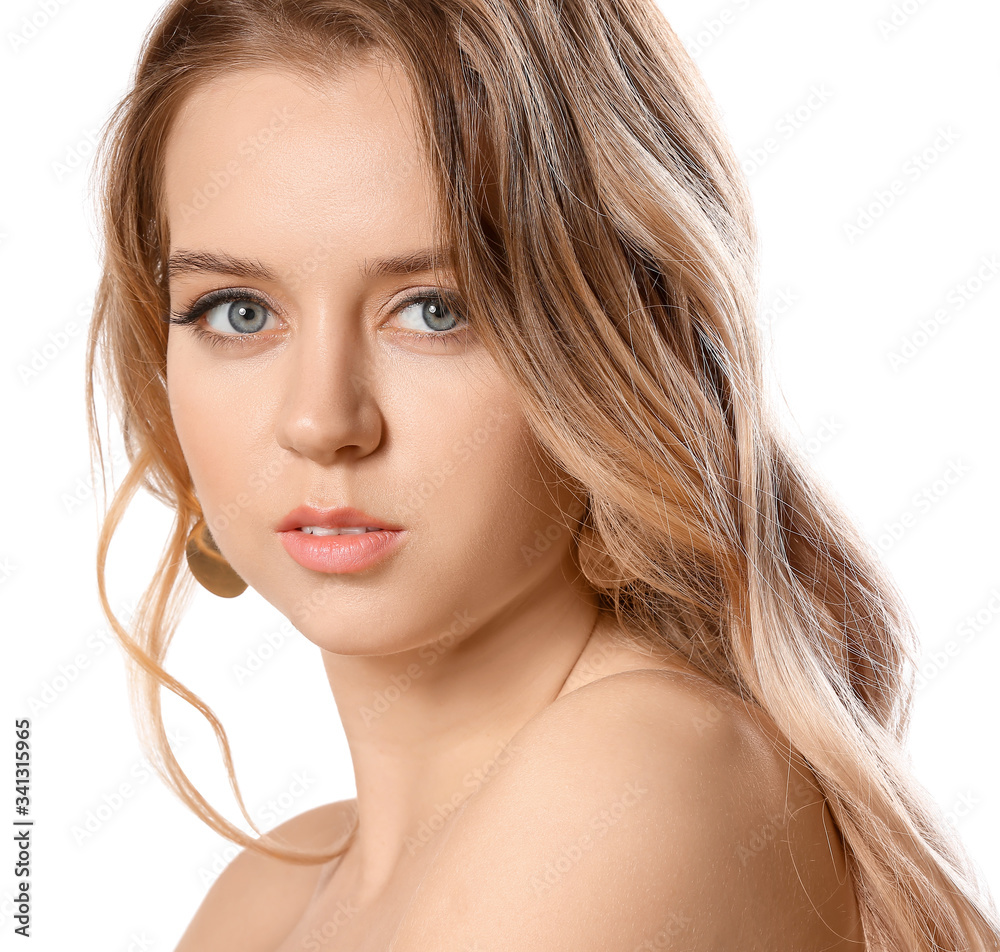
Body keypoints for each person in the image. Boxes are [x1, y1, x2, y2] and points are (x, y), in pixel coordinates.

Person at [84, 1, 999, 949]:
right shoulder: (267, 896)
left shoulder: (644, 773)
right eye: (236, 311)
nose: (322, 420)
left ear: (617, 345)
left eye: (435, 310)